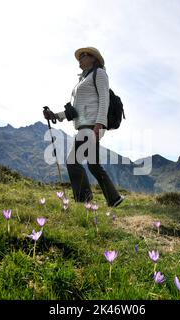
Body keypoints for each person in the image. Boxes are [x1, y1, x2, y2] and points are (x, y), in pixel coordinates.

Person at [43, 47, 124, 208]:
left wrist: (99, 124)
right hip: (85, 125)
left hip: (91, 126)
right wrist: (55, 116)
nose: (79, 58)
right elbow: (75, 110)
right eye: (79, 56)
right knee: (93, 165)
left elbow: (104, 100)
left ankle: (84, 200)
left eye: (83, 55)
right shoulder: (83, 79)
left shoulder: (99, 74)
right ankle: (114, 198)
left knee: (72, 161)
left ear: (94, 58)